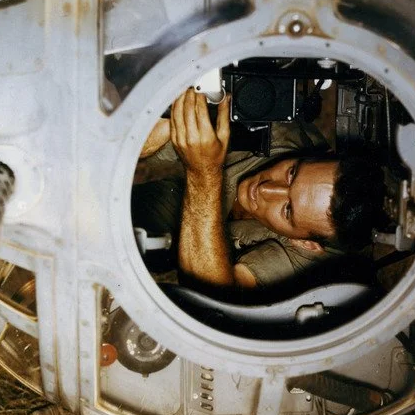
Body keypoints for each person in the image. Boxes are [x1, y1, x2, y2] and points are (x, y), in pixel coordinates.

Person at [134, 89, 386, 290]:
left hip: (204, 196)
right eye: (291, 173)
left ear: (306, 244)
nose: (265, 190)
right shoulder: (271, 126)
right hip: (201, 199)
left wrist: (203, 174)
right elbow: (150, 132)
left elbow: (213, 293)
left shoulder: (314, 260)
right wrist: (162, 126)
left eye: (287, 210)